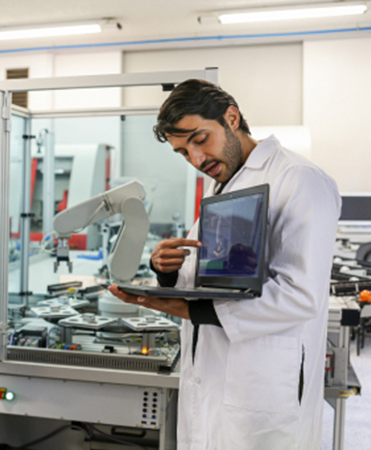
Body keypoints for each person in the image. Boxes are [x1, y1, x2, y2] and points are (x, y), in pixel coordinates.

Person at [109, 79, 340, 450]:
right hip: (213, 382)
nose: (197, 160)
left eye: (199, 140)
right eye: (183, 152)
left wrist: (192, 310)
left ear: (232, 118)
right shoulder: (225, 187)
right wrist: (166, 271)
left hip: (263, 394)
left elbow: (300, 296)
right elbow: (202, 278)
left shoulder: (298, 179)